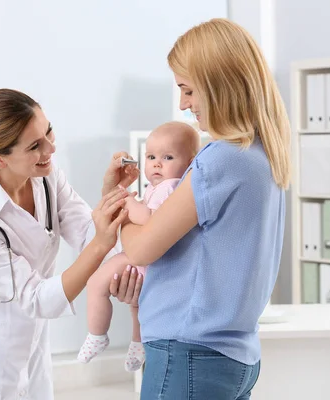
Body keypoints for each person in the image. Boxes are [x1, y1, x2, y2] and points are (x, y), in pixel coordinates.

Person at [115, 18, 291, 399]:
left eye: (188, 89)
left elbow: (142, 247)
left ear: (219, 84)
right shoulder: (264, 154)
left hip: (188, 351)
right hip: (235, 357)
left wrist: (122, 214)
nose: (183, 104)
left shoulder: (220, 160)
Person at [0, 88, 141, 400]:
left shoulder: (46, 177)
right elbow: (38, 298)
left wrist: (111, 193)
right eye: (35, 146)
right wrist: (100, 249)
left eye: (48, 131)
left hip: (32, 346)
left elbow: (86, 232)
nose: (51, 148)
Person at [77, 121, 200, 371]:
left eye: (168, 157)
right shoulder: (160, 187)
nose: (156, 163)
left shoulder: (172, 187)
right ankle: (137, 345)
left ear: (190, 162)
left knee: (95, 284)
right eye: (151, 156)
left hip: (143, 256)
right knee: (138, 307)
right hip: (154, 261)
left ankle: (97, 335)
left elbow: (148, 220)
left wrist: (128, 201)